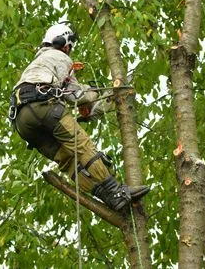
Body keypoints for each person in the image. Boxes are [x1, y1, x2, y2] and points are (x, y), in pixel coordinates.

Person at [9, 22, 149, 212]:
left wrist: (90, 108)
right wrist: (96, 94)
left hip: (22, 122)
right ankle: (115, 191)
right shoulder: (59, 57)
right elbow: (76, 95)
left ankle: (108, 197)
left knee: (68, 162)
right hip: (44, 107)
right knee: (83, 146)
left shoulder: (36, 64)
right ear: (64, 44)